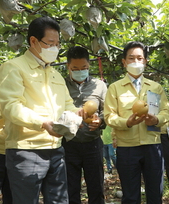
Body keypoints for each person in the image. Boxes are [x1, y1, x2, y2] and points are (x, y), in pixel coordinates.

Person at [0, 16, 83, 204]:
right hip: (26, 151)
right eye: (50, 43)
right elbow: (11, 107)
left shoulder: (55, 74)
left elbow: (68, 104)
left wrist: (80, 115)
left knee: (60, 201)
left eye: (58, 44)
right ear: (33, 41)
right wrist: (43, 123)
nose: (55, 49)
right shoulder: (13, 68)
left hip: (56, 149)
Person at [104, 41, 169, 204]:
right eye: (131, 58)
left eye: (140, 58)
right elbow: (109, 116)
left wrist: (156, 119)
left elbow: (166, 112)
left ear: (145, 61)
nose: (136, 62)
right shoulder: (115, 88)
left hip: (152, 145)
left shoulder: (155, 87)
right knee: (130, 195)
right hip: (127, 147)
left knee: (155, 194)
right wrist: (126, 122)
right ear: (124, 62)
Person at [63, 46, 107, 204]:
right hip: (69, 144)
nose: (80, 71)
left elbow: (107, 113)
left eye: (84, 68)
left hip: (93, 144)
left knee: (96, 188)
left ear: (89, 66)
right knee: (70, 188)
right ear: (68, 66)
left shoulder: (99, 86)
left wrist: (100, 121)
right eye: (75, 68)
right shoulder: (61, 85)